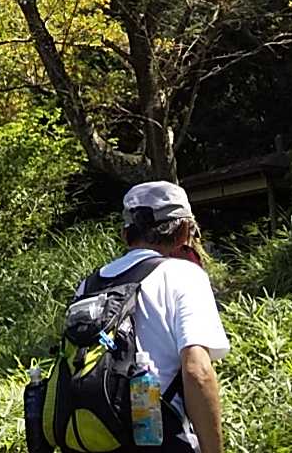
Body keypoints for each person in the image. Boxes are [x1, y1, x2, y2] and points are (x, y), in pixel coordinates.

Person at [92, 180, 228, 452]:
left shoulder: (90, 284)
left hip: (93, 438)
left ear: (125, 234)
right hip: (159, 440)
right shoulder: (184, 275)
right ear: (184, 231)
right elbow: (198, 371)